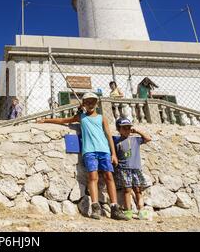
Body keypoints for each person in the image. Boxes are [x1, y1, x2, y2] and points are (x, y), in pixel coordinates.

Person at [37, 93, 128, 221]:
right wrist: (46, 120)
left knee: (109, 176)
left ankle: (114, 208)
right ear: (84, 103)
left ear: (97, 103)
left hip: (104, 151)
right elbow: (64, 120)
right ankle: (95, 206)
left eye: (93, 102)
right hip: (89, 151)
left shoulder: (102, 118)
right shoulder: (81, 117)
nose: (91, 104)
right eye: (87, 102)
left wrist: (113, 153)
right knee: (93, 176)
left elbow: (108, 136)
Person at [114, 118, 152, 220]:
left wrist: (137, 131)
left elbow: (148, 138)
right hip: (124, 169)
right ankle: (128, 212)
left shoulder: (136, 139)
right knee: (127, 190)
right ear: (118, 129)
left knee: (138, 190)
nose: (127, 130)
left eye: (128, 128)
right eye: (124, 128)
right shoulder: (116, 141)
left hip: (136, 169)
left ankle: (141, 211)